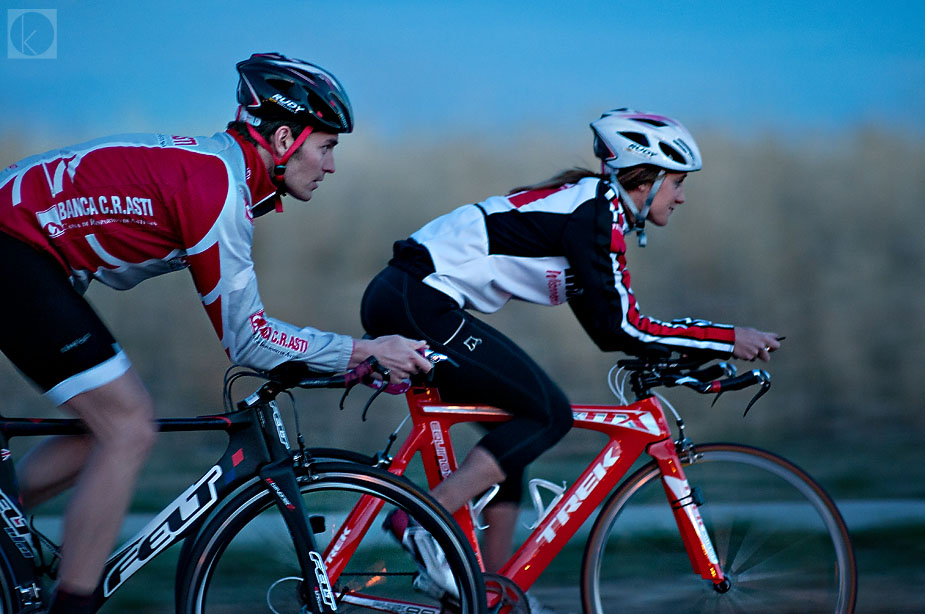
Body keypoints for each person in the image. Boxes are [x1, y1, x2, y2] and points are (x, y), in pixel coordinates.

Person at [0, 52, 430, 613]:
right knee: (128, 427)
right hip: (16, 253)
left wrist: (349, 356)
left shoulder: (219, 172)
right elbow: (247, 340)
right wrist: (362, 350)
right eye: (326, 147)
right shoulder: (216, 191)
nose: (330, 166)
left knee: (100, 429)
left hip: (27, 255)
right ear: (282, 140)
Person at [362, 108, 782, 603]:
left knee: (510, 437)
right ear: (646, 180)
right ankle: (421, 525)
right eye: (678, 183)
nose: (683, 195)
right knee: (550, 414)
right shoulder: (594, 216)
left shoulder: (594, 213)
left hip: (410, 298)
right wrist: (728, 337)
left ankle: (489, 595)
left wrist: (682, 357)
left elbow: (610, 330)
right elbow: (628, 326)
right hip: (416, 299)